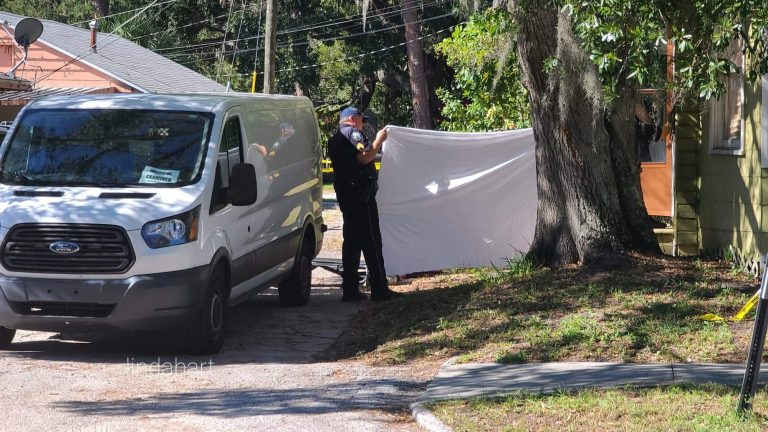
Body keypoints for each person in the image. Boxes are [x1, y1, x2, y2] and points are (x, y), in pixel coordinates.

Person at [328, 107, 402, 302]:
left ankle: (350, 290)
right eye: (362, 120)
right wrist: (379, 140)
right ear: (352, 119)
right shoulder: (352, 133)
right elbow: (366, 156)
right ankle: (379, 288)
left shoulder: (335, 139)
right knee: (371, 241)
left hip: (347, 195)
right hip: (360, 196)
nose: (363, 124)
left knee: (351, 242)